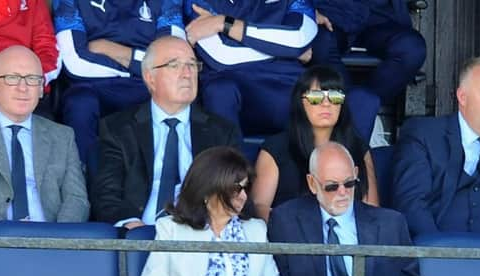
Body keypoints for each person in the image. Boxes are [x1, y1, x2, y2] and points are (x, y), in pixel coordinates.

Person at [268, 143, 429, 276]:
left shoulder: (391, 223)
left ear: (356, 174)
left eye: (349, 183)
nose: (343, 193)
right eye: (332, 187)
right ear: (312, 184)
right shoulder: (286, 221)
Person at [141, 146, 284, 276]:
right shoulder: (171, 229)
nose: (243, 196)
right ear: (208, 189)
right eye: (235, 189)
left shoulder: (255, 230)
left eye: (245, 188)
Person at [92, 36, 240, 231]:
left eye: (192, 64)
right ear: (149, 77)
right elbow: (106, 194)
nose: (187, 73)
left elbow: (233, 194)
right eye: (174, 65)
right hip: (140, 232)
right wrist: (131, 225)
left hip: (201, 235)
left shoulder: (222, 132)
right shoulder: (117, 128)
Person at [0, 46, 89, 233]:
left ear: (40, 89)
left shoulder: (63, 136)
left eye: (32, 79)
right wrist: (1, 230)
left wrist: (58, 237)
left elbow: (77, 199)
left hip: (52, 244)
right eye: (12, 78)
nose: (23, 88)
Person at [391, 56, 480, 237]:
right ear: (462, 97)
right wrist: (438, 256)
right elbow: (410, 207)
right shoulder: (423, 134)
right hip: (437, 254)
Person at [53, 0, 186, 162]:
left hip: (147, 85)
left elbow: (174, 58)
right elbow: (75, 62)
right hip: (93, 84)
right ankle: (85, 181)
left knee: (172, 96)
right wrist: (143, 67)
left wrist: (115, 51)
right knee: (80, 103)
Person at [252, 65, 379, 221]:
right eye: (316, 97)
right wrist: (289, 226)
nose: (326, 103)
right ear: (300, 102)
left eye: (335, 96)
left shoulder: (358, 147)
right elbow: (258, 207)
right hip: (291, 239)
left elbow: (372, 211)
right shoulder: (275, 148)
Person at [182, 0, 317, 137]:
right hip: (235, 94)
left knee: (321, 95)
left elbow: (299, 38)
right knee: (219, 91)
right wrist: (285, 51)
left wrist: (224, 23)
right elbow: (222, 55)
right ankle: (228, 158)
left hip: (286, 89)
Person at [311, 0, 426, 104]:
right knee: (320, 44)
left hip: (380, 16)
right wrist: (306, 10)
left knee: (412, 49)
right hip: (329, 14)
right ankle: (349, 113)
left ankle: (363, 110)